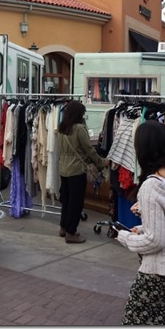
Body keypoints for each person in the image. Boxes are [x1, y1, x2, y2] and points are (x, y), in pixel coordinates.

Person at [117, 120, 165, 325]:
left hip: (159, 276)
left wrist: (124, 236)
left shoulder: (152, 185)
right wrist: (144, 227)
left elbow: (155, 241)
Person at [56, 100, 107, 244]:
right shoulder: (79, 129)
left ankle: (63, 227)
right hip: (77, 169)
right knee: (75, 202)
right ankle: (71, 232)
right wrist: (101, 162)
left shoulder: (61, 128)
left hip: (63, 168)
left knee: (66, 200)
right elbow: (89, 150)